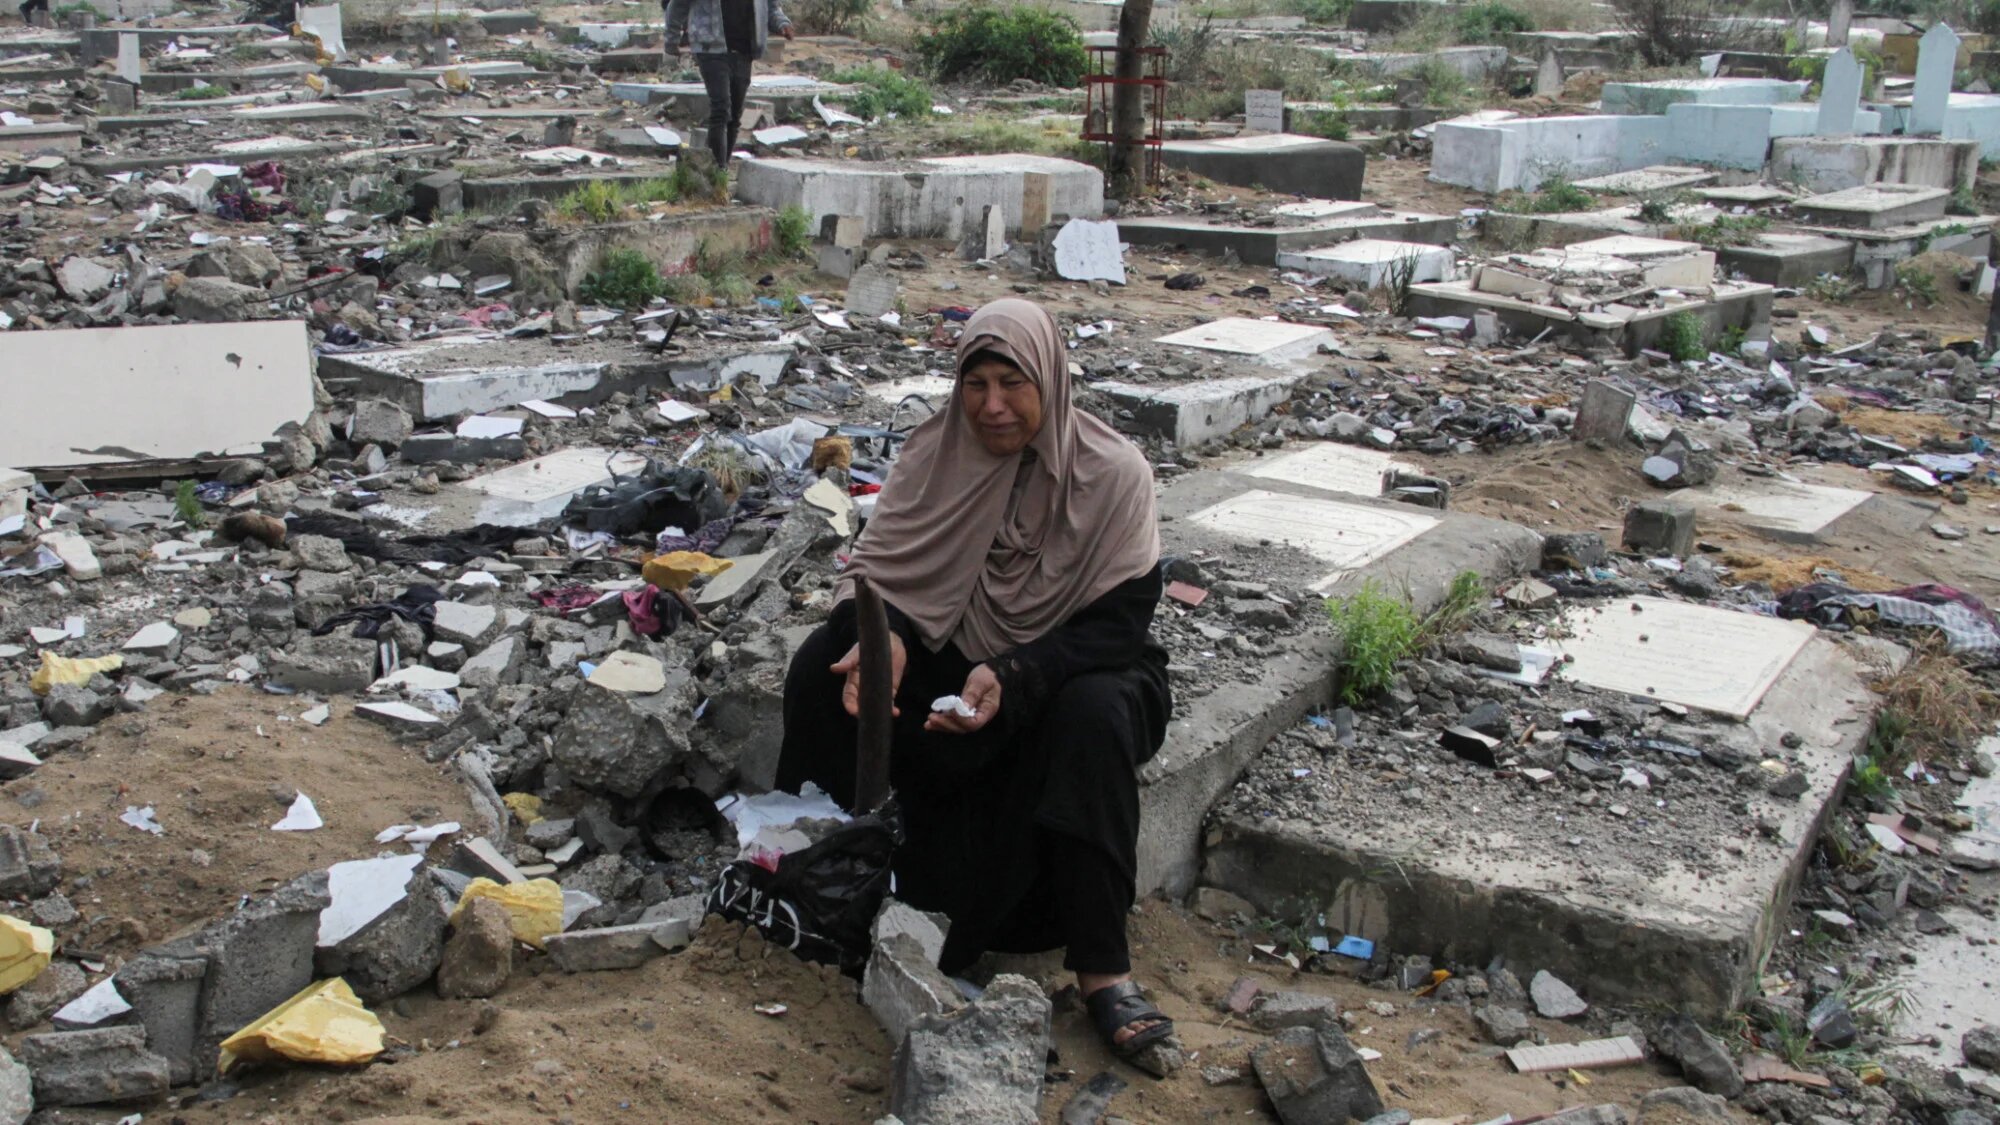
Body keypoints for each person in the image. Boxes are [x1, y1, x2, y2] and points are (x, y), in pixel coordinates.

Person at [775, 298, 1182, 1076]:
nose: (992, 407)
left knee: (1095, 714)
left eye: (1013, 383)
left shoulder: (1114, 475)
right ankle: (820, 882)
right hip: (956, 661)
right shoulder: (936, 456)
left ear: (1052, 382)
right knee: (822, 663)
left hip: (1071, 667)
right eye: (976, 384)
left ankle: (1104, 972)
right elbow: (879, 573)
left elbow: (1120, 625)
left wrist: (1019, 672)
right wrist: (883, 637)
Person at [662, 0, 793, 169]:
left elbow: (770, 7)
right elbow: (678, 5)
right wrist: (671, 38)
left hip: (744, 50)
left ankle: (720, 168)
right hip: (710, 47)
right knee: (721, 109)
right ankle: (717, 170)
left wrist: (782, 24)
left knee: (734, 115)